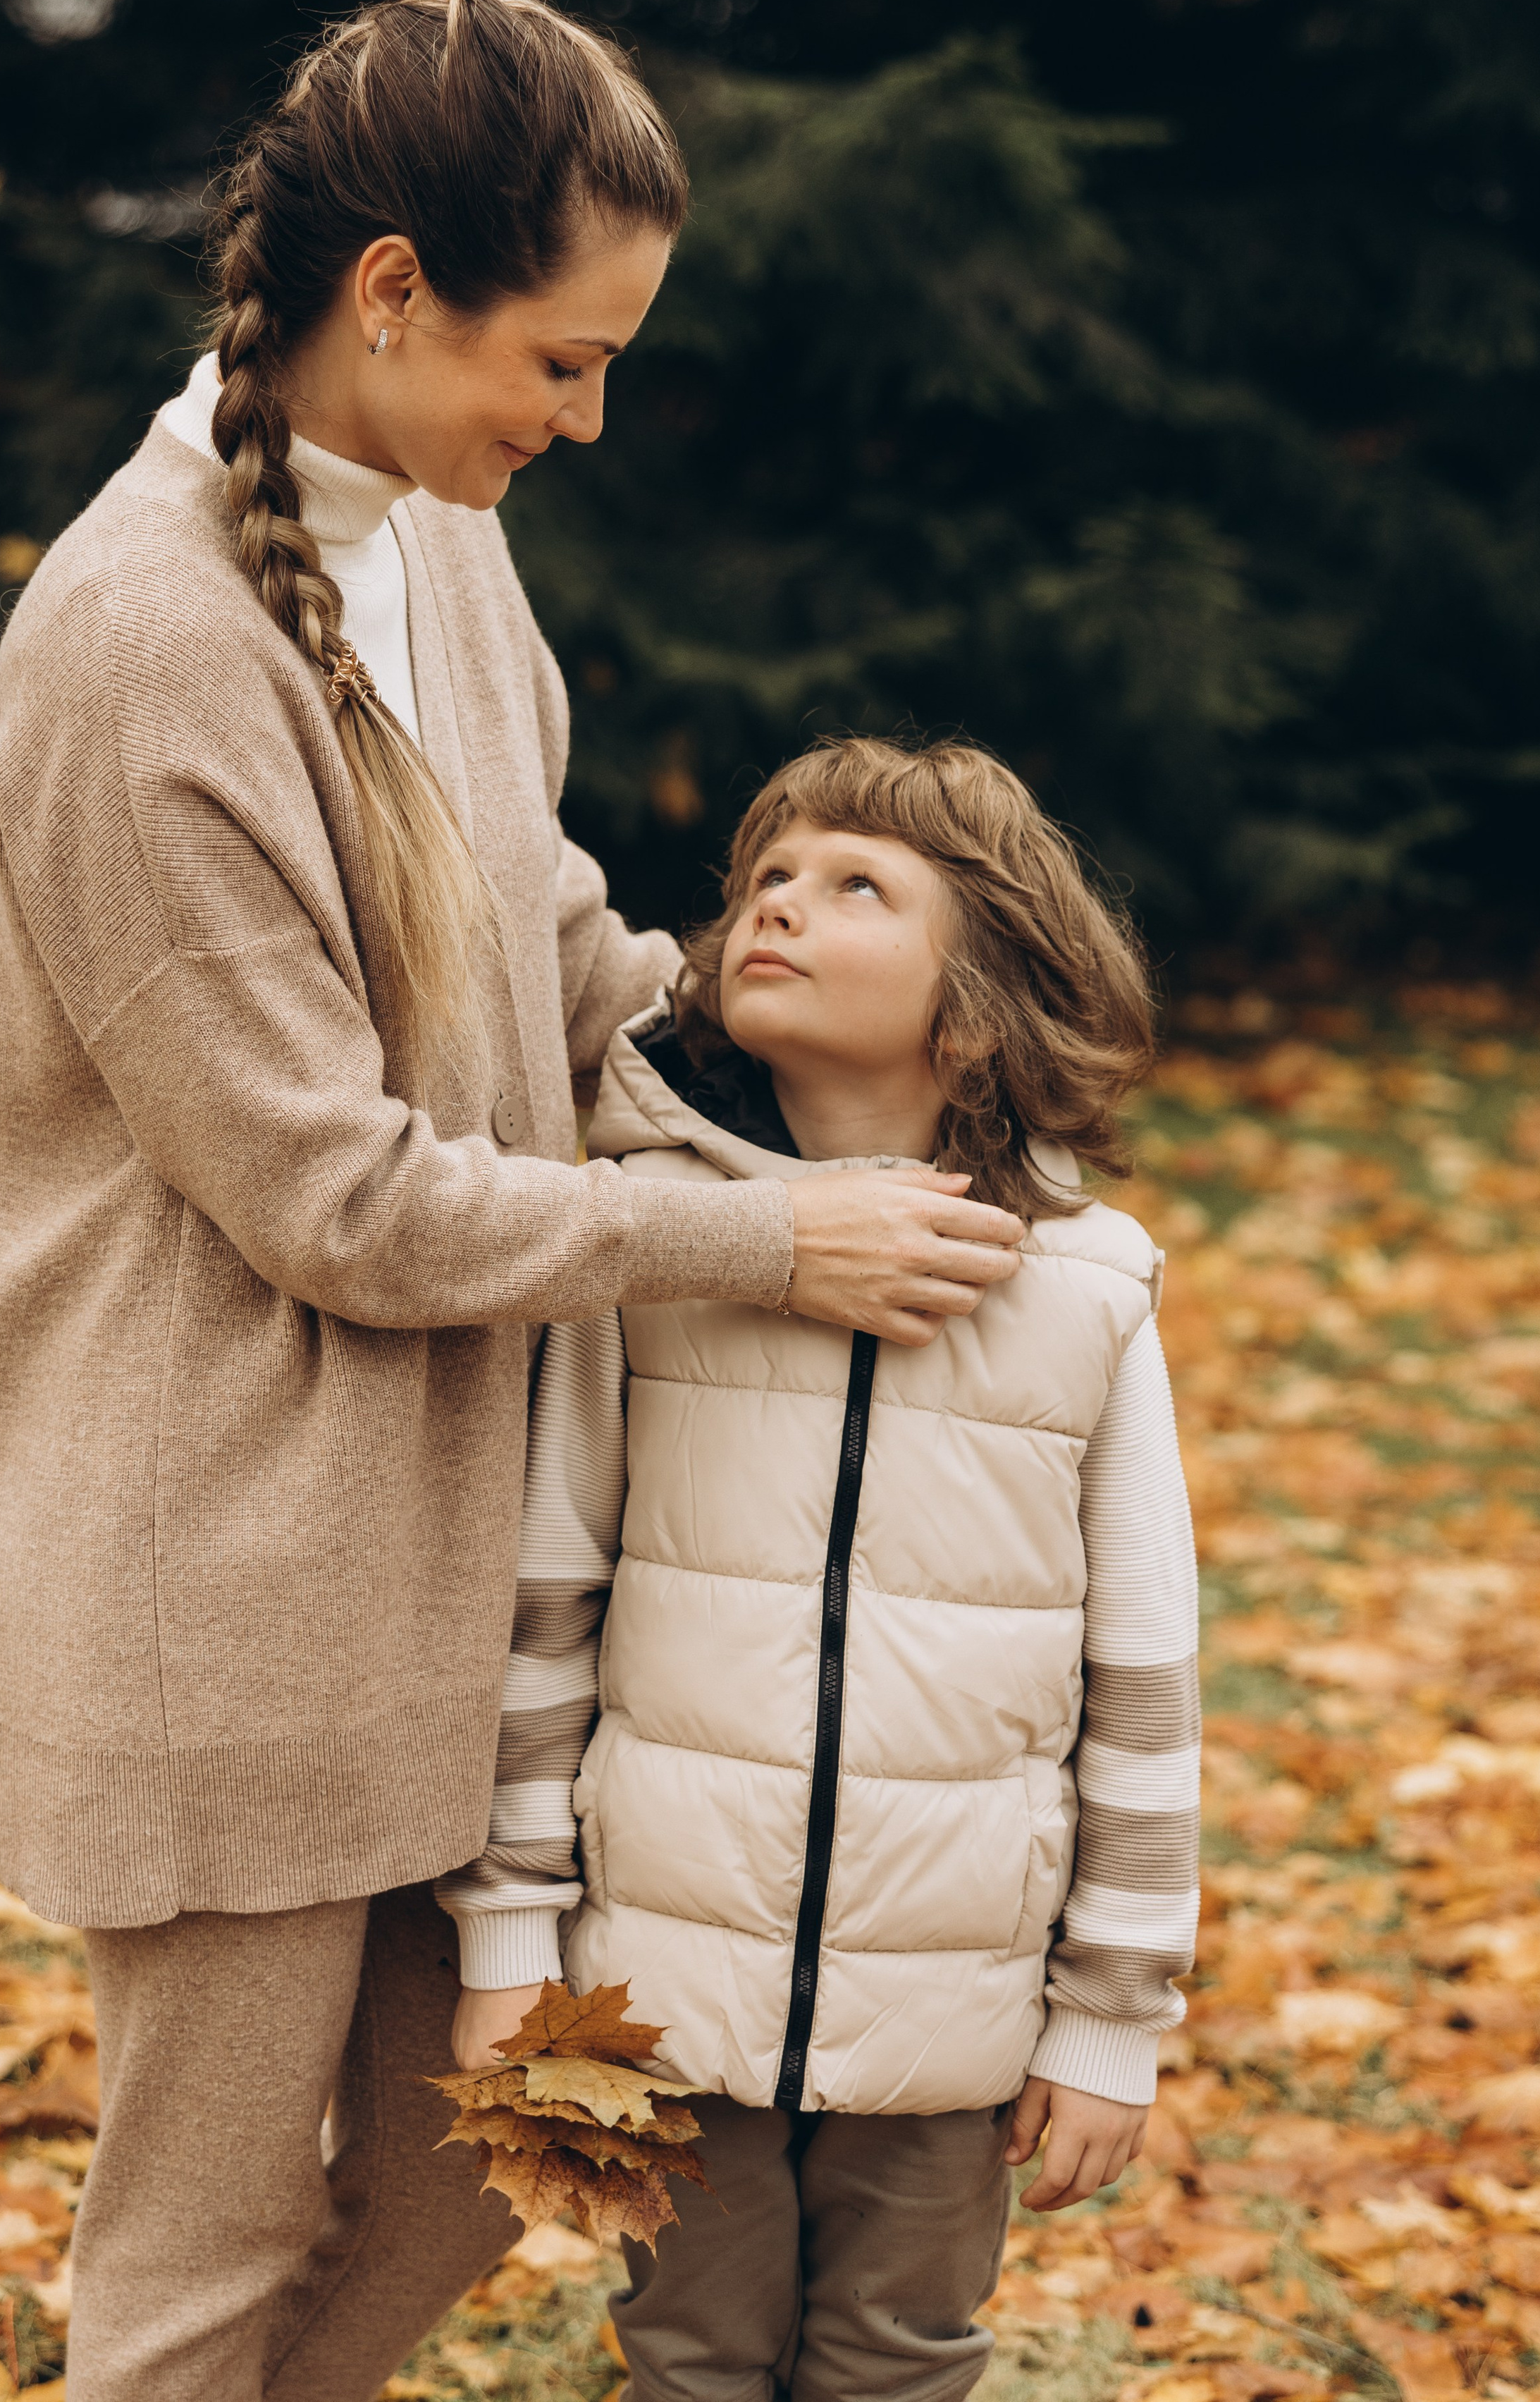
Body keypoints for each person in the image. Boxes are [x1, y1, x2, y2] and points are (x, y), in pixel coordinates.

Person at [0, 0, 1029, 2402]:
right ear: (396, 288)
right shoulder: (140, 649)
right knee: (205, 2248)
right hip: (211, 1577)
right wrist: (767, 1242)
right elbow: (332, 1194)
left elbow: (537, 932)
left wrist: (805, 1036)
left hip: (446, 1565)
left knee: (475, 2160)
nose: (591, 416)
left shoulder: (436, 549)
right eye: (566, 353)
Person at [439, 736, 1200, 2402]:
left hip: (953, 2005)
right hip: (662, 1986)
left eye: (858, 887)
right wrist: (510, 1945)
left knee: (898, 2364)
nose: (781, 904)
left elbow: (1141, 1681)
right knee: (687, 2358)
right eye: (766, 879)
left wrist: (1109, 2015)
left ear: (976, 1007)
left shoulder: (1084, 1292)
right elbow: (545, 1605)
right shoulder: (645, 1246)